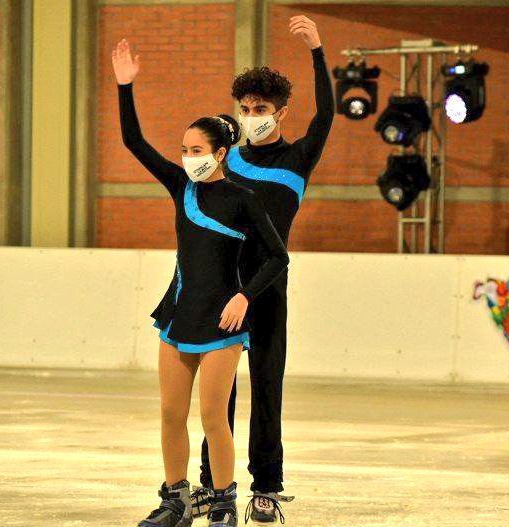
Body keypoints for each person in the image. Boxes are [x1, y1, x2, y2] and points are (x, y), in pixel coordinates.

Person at [112, 38, 289, 527]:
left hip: (222, 322)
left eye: (196, 150)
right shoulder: (180, 186)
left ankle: (223, 501)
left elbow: (277, 257)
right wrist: (125, 87)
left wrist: (243, 296)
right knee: (171, 415)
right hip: (178, 317)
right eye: (185, 150)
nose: (188, 157)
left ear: (222, 152)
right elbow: (133, 142)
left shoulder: (244, 198)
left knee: (214, 419)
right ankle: (175, 501)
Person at [192, 15, 333, 524]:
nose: (252, 115)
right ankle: (213, 483)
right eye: (246, 109)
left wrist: (317, 50)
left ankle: (267, 488)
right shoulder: (227, 160)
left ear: (281, 112)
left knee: (266, 385)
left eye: (261, 109)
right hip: (226, 287)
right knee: (218, 393)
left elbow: (328, 113)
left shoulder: (298, 158)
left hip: (269, 285)